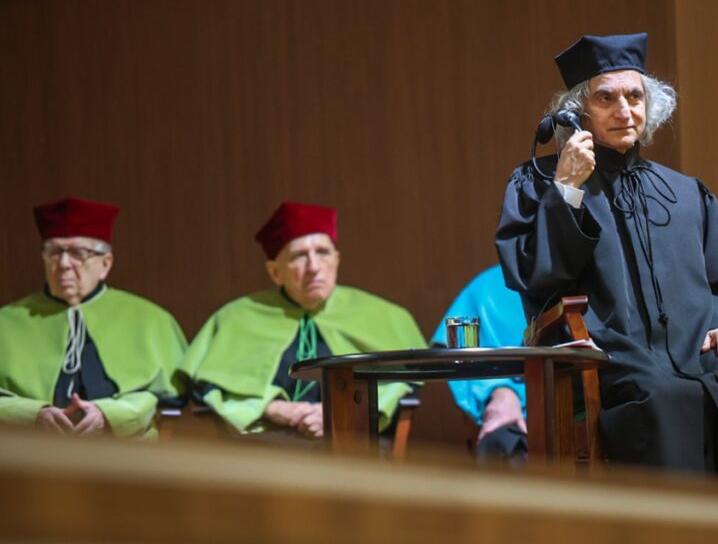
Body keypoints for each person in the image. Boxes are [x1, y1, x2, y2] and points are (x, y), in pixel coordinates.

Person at [495, 33, 718, 482]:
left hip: (694, 348)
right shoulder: (540, 182)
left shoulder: (687, 193)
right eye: (606, 97)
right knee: (664, 396)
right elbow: (533, 274)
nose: (624, 111)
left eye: (635, 96)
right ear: (577, 111)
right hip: (608, 356)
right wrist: (567, 189)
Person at [179, 202, 425, 443]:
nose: (314, 267)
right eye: (299, 256)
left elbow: (404, 381)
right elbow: (208, 388)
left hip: (353, 440)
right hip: (265, 442)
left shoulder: (383, 314)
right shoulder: (236, 317)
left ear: (336, 259)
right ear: (275, 272)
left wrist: (340, 413)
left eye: (322, 252)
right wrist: (269, 407)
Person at [0, 197, 186, 439]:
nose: (64, 264)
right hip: (29, 455)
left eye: (78, 253)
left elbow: (169, 399)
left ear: (105, 264)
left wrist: (110, 415)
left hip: (130, 458)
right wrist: (32, 414)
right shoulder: (7, 321)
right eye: (54, 252)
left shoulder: (151, 320)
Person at [431, 264, 527, 463]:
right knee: (501, 443)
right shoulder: (491, 285)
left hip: (580, 399)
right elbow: (456, 353)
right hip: (508, 405)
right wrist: (500, 390)